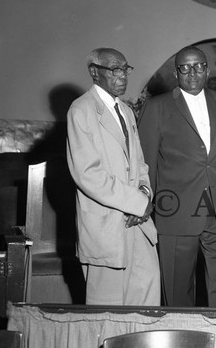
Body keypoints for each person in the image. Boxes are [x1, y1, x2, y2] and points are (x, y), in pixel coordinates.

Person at [137, 46, 216, 308]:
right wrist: (146, 205)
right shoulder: (157, 106)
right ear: (175, 72)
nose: (192, 72)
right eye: (185, 67)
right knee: (178, 289)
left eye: (198, 66)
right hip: (176, 210)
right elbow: (146, 163)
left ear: (207, 70)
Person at [66, 47, 160, 305]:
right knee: (106, 314)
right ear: (94, 72)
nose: (122, 76)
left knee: (147, 306)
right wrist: (137, 204)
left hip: (138, 225)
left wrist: (144, 193)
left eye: (125, 69)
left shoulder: (126, 111)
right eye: (115, 69)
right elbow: (88, 174)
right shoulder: (81, 110)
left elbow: (140, 164)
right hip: (106, 228)